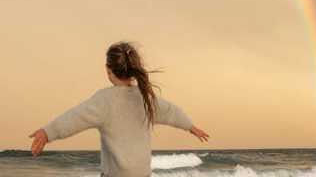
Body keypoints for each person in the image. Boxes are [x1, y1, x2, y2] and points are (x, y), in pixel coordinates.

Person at [28, 41, 210, 177]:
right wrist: (190, 126)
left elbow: (75, 117)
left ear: (108, 70)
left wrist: (48, 132)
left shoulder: (105, 100)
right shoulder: (145, 98)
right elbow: (171, 111)